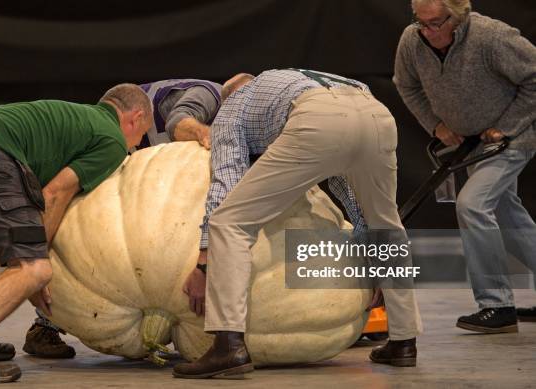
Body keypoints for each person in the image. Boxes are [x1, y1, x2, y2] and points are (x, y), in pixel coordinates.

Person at [173, 69, 423, 379]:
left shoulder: (231, 109)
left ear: (229, 97)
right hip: (375, 111)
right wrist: (370, 260)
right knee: (385, 224)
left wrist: (204, 262)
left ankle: (228, 345)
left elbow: (226, 181)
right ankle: (403, 341)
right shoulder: (291, 80)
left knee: (229, 222)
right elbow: (348, 184)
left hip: (316, 118)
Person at [0, 84, 153, 383]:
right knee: (34, 269)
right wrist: (32, 266)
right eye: (141, 135)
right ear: (135, 118)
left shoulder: (82, 118)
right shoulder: (111, 139)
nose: (135, 146)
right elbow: (55, 193)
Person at [23, 79, 222, 358]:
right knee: (84, 232)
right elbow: (179, 120)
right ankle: (45, 322)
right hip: (130, 150)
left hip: (151, 169)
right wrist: (207, 133)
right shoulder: (210, 94)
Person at [394, 0, 536, 332]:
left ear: (458, 18)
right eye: (421, 22)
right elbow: (406, 85)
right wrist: (436, 125)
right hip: (475, 142)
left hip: (513, 138)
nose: (427, 32)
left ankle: (496, 305)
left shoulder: (492, 37)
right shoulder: (411, 39)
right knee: (506, 214)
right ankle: (498, 302)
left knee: (472, 205)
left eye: (436, 24)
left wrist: (509, 125)